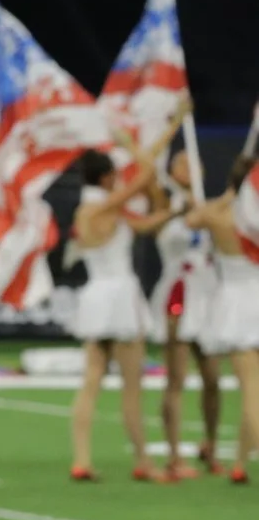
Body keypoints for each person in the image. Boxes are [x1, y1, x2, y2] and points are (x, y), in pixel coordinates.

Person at [62, 145, 176, 482]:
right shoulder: (103, 206)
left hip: (96, 297)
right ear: (106, 177)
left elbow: (142, 225)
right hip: (120, 297)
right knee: (131, 387)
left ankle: (81, 460)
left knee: (91, 382)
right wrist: (136, 146)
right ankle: (144, 462)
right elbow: (144, 177)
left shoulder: (91, 210)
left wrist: (175, 212)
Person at [178, 152, 259, 483]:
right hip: (249, 294)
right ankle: (239, 463)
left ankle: (241, 462)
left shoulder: (221, 213)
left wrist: (227, 194)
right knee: (254, 391)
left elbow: (192, 220)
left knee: (251, 390)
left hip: (239, 302)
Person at [152, 149, 223, 479]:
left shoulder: (209, 206)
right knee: (176, 378)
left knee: (213, 378)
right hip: (179, 291)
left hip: (206, 294)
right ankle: (173, 455)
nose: (189, 168)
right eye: (181, 163)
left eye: (194, 163)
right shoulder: (163, 202)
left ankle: (211, 445)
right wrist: (177, 212)